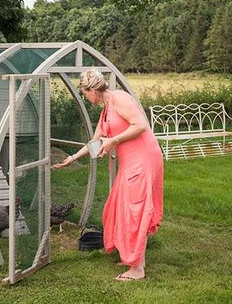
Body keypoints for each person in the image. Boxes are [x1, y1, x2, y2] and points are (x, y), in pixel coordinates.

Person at [53, 68, 163, 281]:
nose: (85, 97)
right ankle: (132, 255)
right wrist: (73, 158)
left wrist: (114, 140)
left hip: (143, 159)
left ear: (92, 89)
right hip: (130, 163)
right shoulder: (106, 110)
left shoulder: (120, 98)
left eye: (84, 93)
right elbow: (95, 143)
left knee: (134, 210)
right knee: (116, 208)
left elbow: (141, 125)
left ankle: (137, 268)